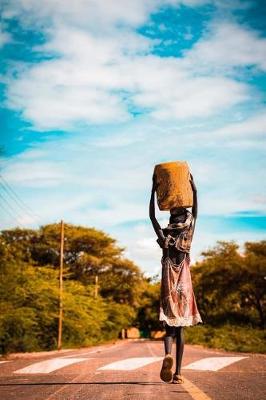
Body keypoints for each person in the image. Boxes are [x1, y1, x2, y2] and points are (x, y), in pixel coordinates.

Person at [149, 172, 202, 384]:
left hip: (168, 280)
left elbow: (152, 217)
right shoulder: (188, 232)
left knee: (168, 327)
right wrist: (194, 188)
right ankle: (179, 373)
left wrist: (153, 190)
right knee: (180, 329)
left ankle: (167, 355)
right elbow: (196, 212)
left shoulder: (165, 236)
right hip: (184, 282)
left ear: (171, 217)